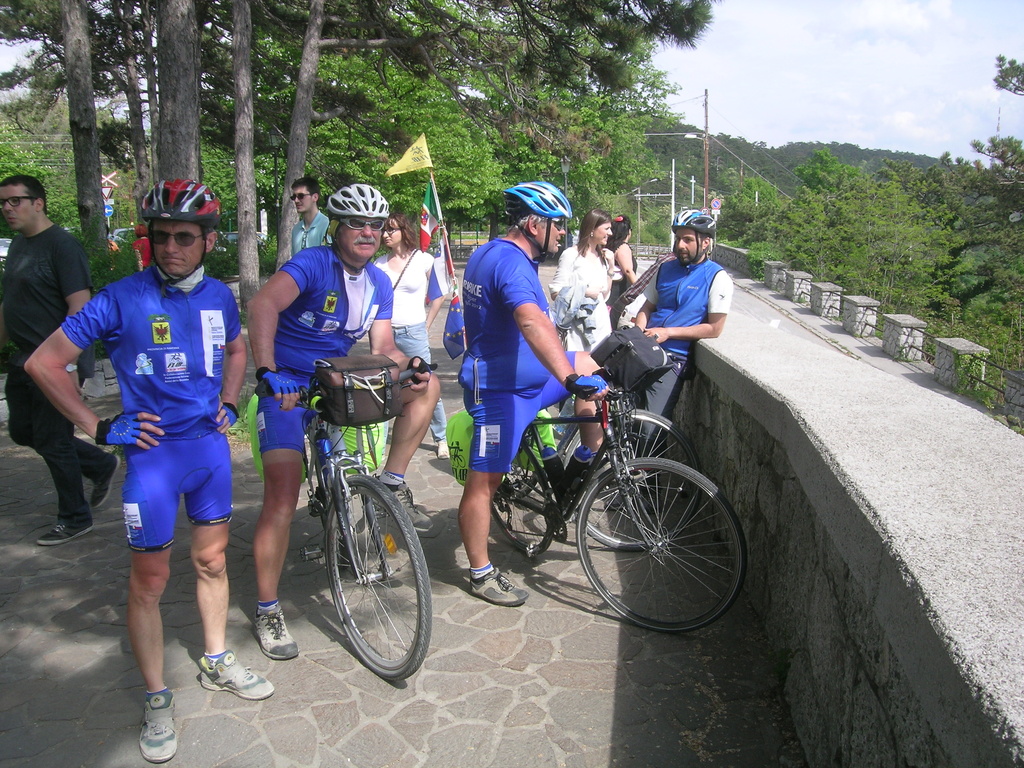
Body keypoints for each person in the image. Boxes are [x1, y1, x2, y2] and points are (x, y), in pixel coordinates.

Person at [25, 179, 273, 764]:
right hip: (153, 461)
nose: (170, 248)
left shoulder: (218, 296)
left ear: (208, 240)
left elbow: (236, 350)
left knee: (212, 561)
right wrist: (97, 426)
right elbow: (44, 363)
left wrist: (232, 402)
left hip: (209, 452)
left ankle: (215, 658)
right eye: (160, 237)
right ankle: (158, 695)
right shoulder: (119, 298)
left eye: (184, 237)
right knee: (151, 583)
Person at [247, 182, 440, 660]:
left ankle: (390, 483)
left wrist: (412, 366)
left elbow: (383, 349)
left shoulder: (377, 281)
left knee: (427, 388)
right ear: (338, 227)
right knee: (282, 495)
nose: (367, 233)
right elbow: (261, 305)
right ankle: (268, 608)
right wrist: (268, 372)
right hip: (288, 387)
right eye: (357, 223)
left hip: (336, 381)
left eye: (375, 226)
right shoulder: (313, 264)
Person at [457, 181, 608, 607]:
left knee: (594, 366)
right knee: (484, 482)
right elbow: (530, 320)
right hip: (498, 391)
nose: (562, 234)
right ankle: (481, 572)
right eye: (557, 226)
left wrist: (574, 370)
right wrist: (566, 374)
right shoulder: (511, 263)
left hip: (528, 379)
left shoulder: (490, 250)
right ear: (534, 223)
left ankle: (578, 466)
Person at [0, 174, 119, 546]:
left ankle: (74, 517)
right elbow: (10, 304)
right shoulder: (19, 246)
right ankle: (100, 464)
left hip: (53, 364)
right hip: (23, 360)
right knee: (23, 432)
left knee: (54, 440)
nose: (7, 208)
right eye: (3, 202)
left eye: (15, 201)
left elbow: (80, 309)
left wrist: (69, 367)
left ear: (38, 202)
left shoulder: (61, 246)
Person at [633, 209, 733, 420]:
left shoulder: (716, 277)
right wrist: (638, 332)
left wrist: (668, 332)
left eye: (687, 240)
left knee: (650, 427)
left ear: (705, 242)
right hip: (642, 350)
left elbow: (715, 329)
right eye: (678, 238)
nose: (680, 245)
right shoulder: (664, 269)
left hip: (671, 358)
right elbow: (647, 308)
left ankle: (650, 455)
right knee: (619, 413)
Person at [376, 211, 449, 458]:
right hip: (385, 333)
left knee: (426, 382)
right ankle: (381, 439)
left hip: (414, 331)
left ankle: (441, 438)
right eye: (384, 230)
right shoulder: (379, 264)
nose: (385, 234)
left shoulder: (423, 260)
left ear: (403, 231)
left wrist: (426, 324)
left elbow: (440, 294)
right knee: (385, 384)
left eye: (391, 229)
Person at [548, 208, 615, 351]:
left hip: (601, 326)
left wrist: (610, 268)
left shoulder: (602, 257)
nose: (610, 233)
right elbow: (556, 293)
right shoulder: (571, 255)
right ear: (592, 229)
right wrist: (584, 291)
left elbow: (604, 296)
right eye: (607, 229)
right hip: (577, 330)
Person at [289, 176, 330, 257]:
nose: (296, 201)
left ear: (315, 197)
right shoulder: (296, 229)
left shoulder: (328, 226)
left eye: (301, 196)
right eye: (294, 197)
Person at [606, 214, 637, 308]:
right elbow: (628, 271)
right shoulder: (623, 247)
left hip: (609, 296)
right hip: (618, 298)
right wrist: (641, 291)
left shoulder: (609, 246)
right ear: (628, 232)